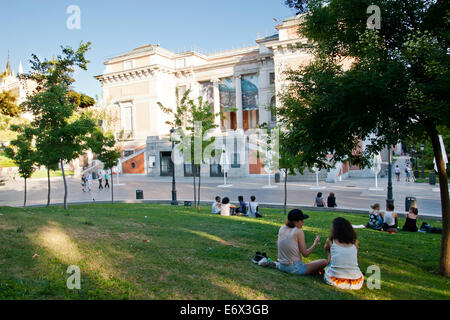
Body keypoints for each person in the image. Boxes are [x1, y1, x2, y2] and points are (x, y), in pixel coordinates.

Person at [276, 209, 328, 275]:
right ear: (296, 221)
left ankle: (316, 271)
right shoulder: (298, 231)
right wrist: (315, 243)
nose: (303, 222)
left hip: (281, 266)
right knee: (324, 262)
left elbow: (278, 245)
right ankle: (316, 271)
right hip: (295, 268)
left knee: (313, 266)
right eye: (301, 220)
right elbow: (305, 254)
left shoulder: (282, 228)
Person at [323, 217, 364, 290]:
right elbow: (355, 255)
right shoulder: (354, 242)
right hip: (355, 282)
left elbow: (326, 248)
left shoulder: (331, 240)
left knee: (329, 264)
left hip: (335, 280)